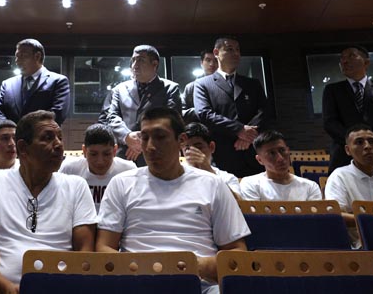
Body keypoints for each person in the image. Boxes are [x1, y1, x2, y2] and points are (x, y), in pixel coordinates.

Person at [96, 107, 249, 293]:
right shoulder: (121, 183)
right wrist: (145, 267)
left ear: (181, 141)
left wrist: (195, 266)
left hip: (200, 284)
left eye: (160, 137)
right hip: (136, 281)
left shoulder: (213, 184)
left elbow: (237, 252)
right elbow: (103, 247)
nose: (150, 146)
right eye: (144, 138)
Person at [0, 111, 96, 292]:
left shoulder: (76, 186)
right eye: (48, 138)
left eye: (59, 137)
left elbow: (85, 254)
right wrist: (6, 287)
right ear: (23, 148)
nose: (58, 144)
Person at [193, 36, 274, 177]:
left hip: (253, 152)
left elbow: (265, 111)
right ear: (216, 52)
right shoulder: (203, 84)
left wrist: (247, 136)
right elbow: (204, 114)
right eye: (230, 49)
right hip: (222, 154)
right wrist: (239, 129)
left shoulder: (252, 83)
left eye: (238, 50)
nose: (236, 53)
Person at [322, 46, 373, 173]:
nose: (344, 61)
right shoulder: (332, 90)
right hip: (344, 155)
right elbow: (330, 123)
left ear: (366, 62)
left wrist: (370, 141)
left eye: (351, 56)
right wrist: (354, 142)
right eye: (342, 58)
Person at [99, 45, 181, 166]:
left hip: (157, 153)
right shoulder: (119, 89)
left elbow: (171, 120)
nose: (135, 65)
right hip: (124, 154)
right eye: (133, 60)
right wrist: (127, 137)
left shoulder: (170, 88)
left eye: (141, 60)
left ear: (154, 64)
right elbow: (111, 117)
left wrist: (142, 142)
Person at [0, 39, 71, 125]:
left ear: (37, 56)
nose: (17, 60)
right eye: (17, 56)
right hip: (11, 137)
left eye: (23, 56)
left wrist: (27, 131)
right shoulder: (7, 84)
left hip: (42, 136)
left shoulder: (58, 81)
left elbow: (57, 113)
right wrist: (8, 130)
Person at [59, 123, 136, 211]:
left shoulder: (128, 171)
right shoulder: (69, 170)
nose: (100, 161)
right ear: (84, 151)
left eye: (106, 154)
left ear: (115, 151)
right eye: (93, 154)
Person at [240, 130, 322, 201]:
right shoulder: (251, 184)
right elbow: (254, 218)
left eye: (282, 150)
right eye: (271, 153)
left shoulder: (310, 187)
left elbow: (316, 218)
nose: (280, 158)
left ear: (288, 151)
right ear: (260, 160)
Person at [181, 122, 241, 197]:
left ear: (212, 147)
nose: (193, 152)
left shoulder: (227, 178)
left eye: (198, 148)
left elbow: (239, 204)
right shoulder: (174, 173)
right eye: (187, 148)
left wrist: (209, 171)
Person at [181, 50, 218, 122]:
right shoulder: (190, 87)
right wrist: (201, 109)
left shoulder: (226, 85)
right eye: (208, 60)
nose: (212, 64)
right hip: (197, 128)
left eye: (216, 60)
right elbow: (182, 112)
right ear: (201, 63)